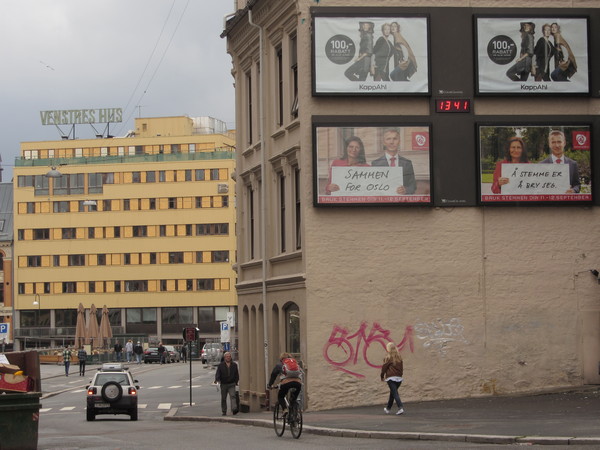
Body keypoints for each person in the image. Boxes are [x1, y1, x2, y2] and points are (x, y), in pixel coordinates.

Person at [371, 128, 417, 194]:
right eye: (388, 139)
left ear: (399, 141)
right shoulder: (375, 164)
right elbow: (373, 187)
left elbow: (413, 186)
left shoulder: (407, 163)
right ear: (384, 142)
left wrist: (406, 190)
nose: (392, 142)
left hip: (401, 202)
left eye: (395, 139)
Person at [381, 342, 404, 415]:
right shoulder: (399, 357)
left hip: (391, 378)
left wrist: (382, 376)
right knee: (393, 393)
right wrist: (400, 375)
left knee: (395, 393)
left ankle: (400, 407)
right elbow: (401, 368)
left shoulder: (388, 357)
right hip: (399, 378)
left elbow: (384, 368)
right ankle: (388, 409)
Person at [214, 352, 240, 416]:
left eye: (229, 356)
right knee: (223, 398)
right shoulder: (221, 365)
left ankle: (234, 409)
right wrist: (218, 380)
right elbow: (218, 374)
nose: (228, 358)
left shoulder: (234, 365)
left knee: (233, 396)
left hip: (231, 383)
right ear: (225, 357)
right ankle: (224, 411)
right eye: (227, 356)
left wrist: (236, 381)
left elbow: (236, 374)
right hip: (223, 384)